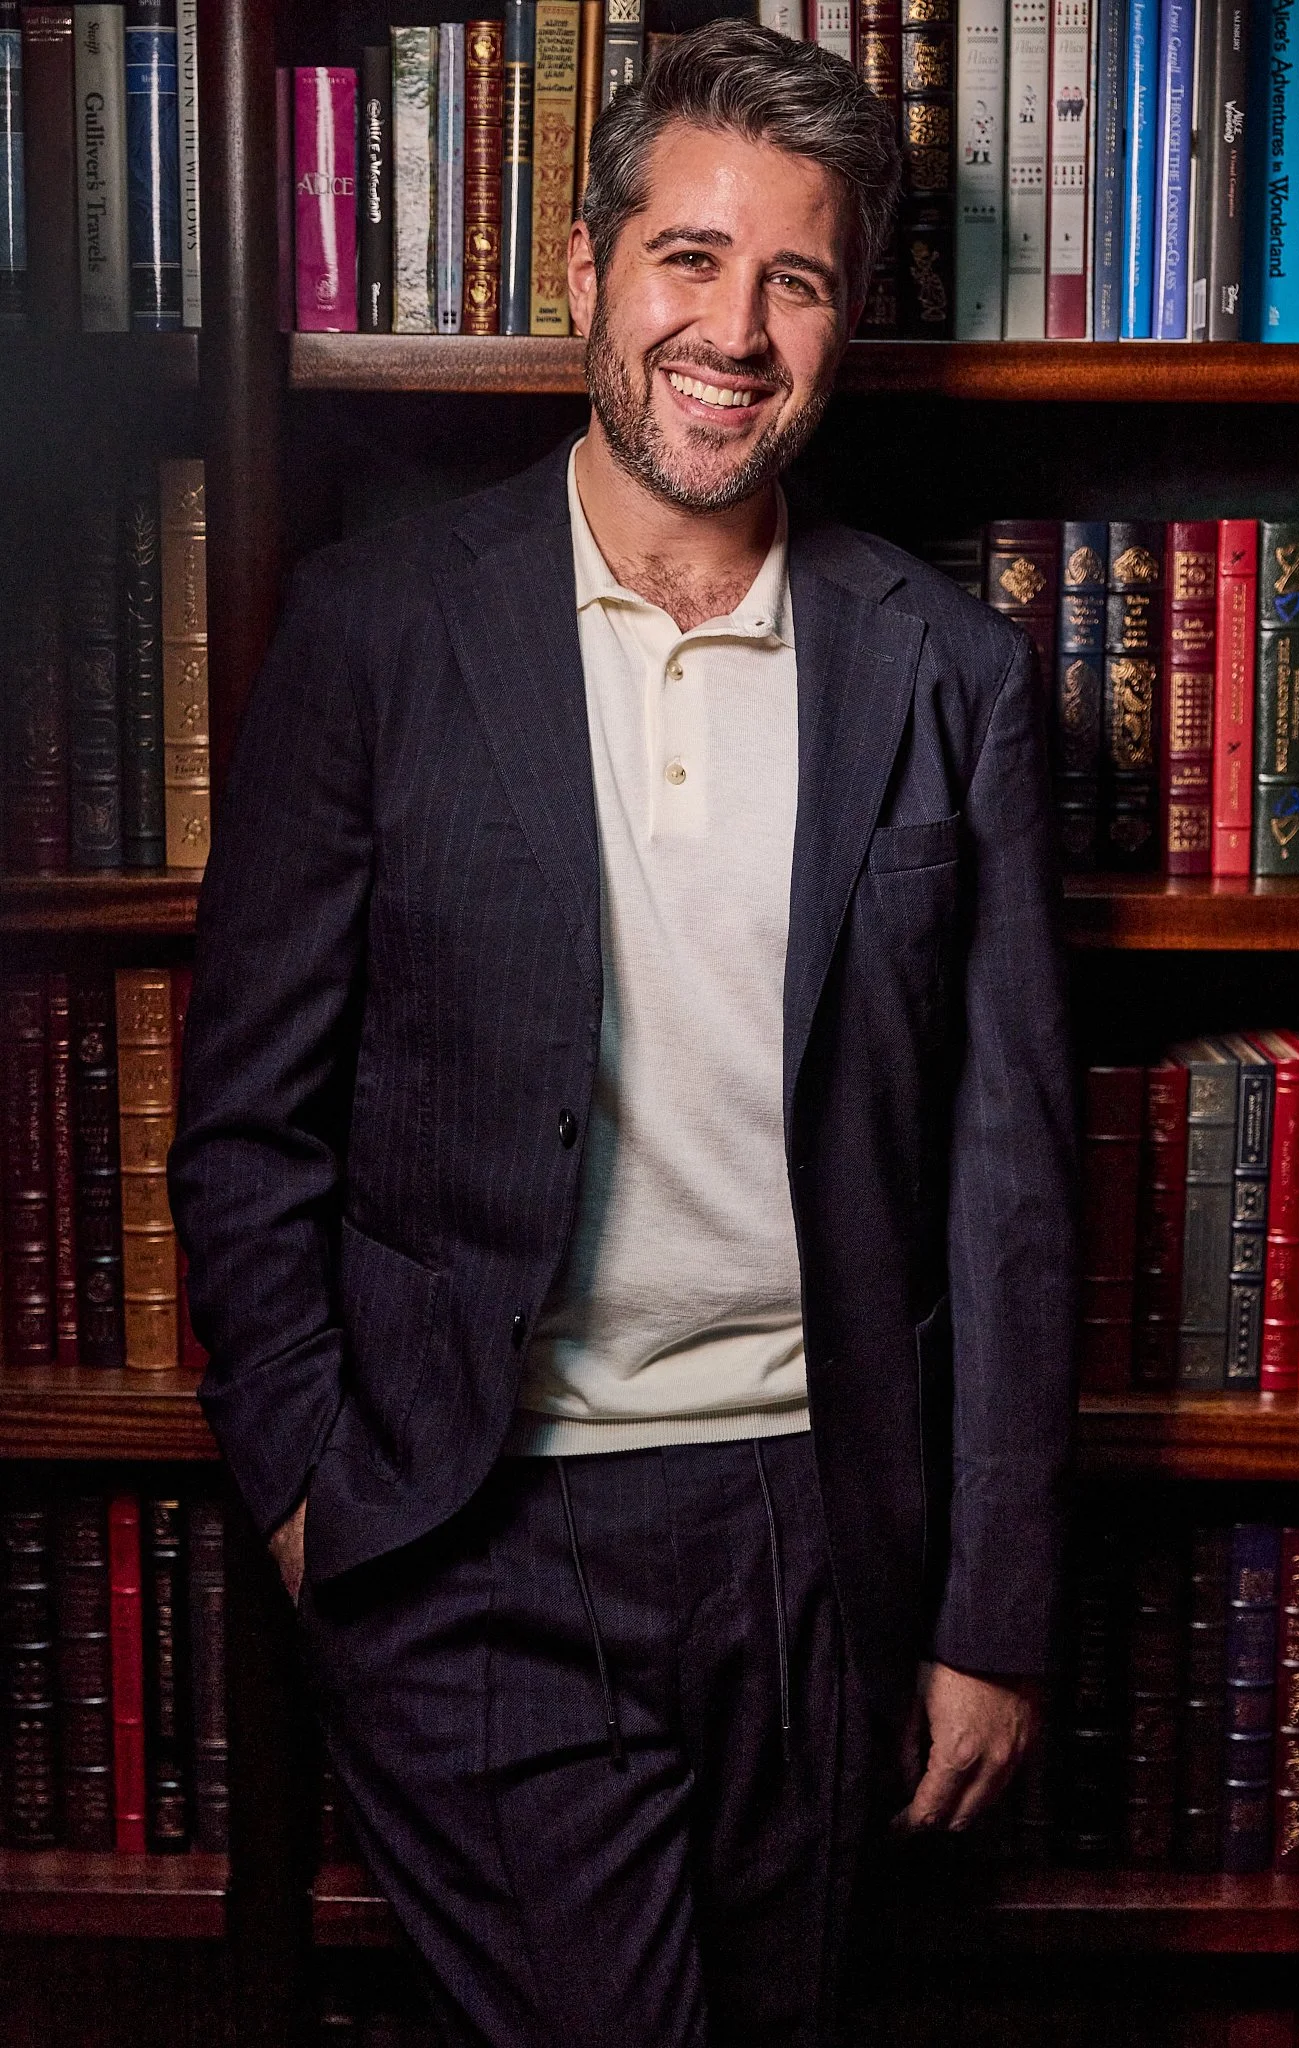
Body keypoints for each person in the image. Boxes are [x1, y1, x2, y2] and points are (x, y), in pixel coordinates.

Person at [168, 20, 1077, 2045]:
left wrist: (986, 1613)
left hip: (818, 1535)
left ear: (841, 322)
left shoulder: (947, 677)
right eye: (687, 256)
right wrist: (320, 1494)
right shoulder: (378, 633)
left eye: (796, 276)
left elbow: (1002, 1178)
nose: (731, 328)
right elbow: (248, 1130)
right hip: (471, 1522)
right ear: (586, 272)